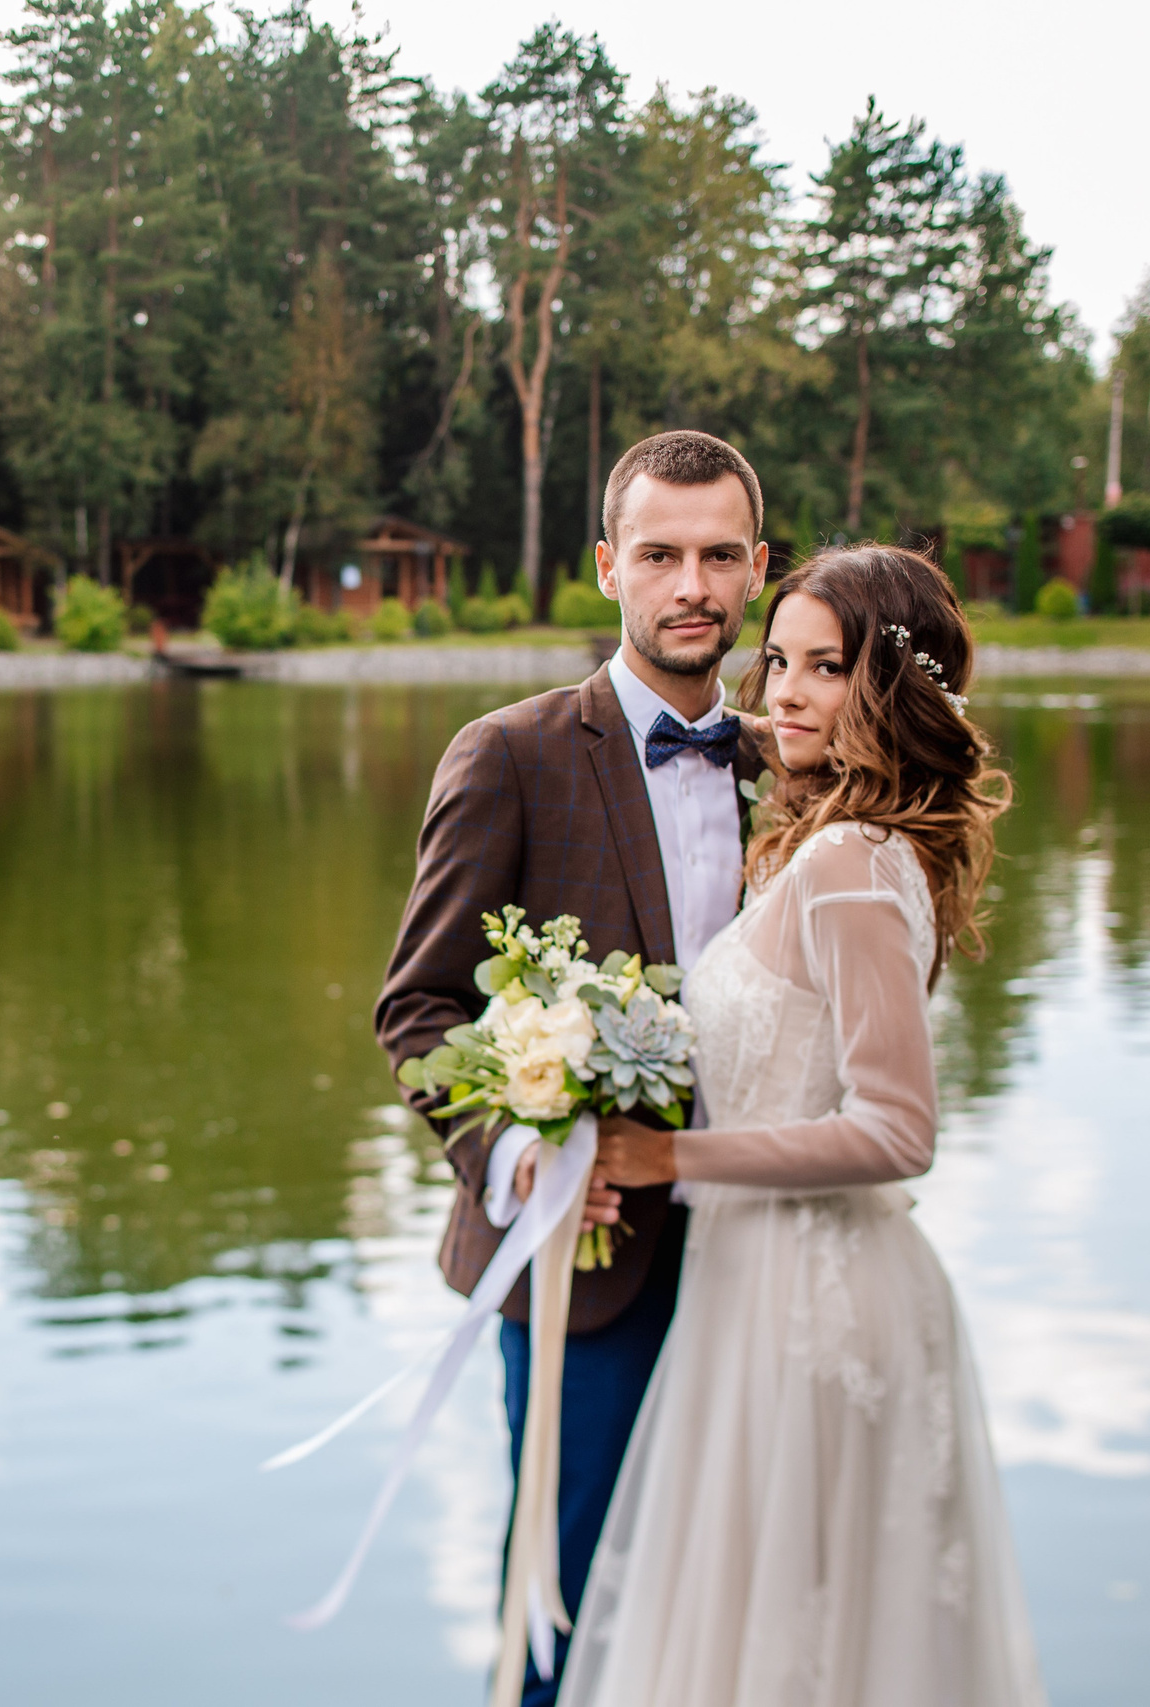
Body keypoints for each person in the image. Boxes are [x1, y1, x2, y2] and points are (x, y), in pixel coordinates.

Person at [557, 544, 1043, 1706]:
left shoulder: (851, 864)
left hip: (812, 1298)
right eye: (777, 660)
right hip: (755, 1281)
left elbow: (897, 1131)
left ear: (891, 687)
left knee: (797, 1653)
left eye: (827, 667)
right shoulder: (834, 845)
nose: (784, 691)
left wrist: (665, 1155)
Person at [376, 430, 772, 1706]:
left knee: (745, 1585)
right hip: (584, 1260)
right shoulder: (511, 754)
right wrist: (519, 1154)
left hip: (764, 1245)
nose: (691, 587)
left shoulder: (791, 765)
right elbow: (419, 1006)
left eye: (719, 556)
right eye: (660, 556)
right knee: (563, 1595)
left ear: (758, 568)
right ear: (608, 567)